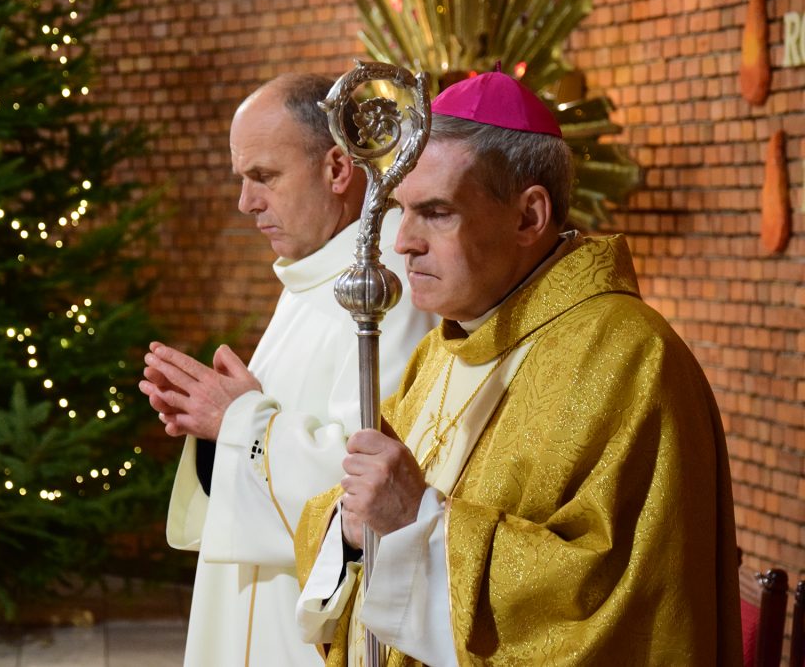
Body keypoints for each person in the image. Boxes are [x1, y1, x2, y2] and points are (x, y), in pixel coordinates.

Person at [294, 70, 743, 666]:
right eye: (402, 210)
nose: (403, 242)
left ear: (529, 216)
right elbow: (372, 507)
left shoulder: (631, 357)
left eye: (436, 212)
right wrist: (351, 529)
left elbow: (609, 602)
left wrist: (416, 521)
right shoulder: (439, 352)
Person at [138, 73, 437, 666]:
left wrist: (238, 421)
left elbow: (374, 483)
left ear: (337, 168)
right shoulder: (314, 273)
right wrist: (214, 429)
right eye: (242, 179)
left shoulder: (384, 290)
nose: (246, 202)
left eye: (263, 176)